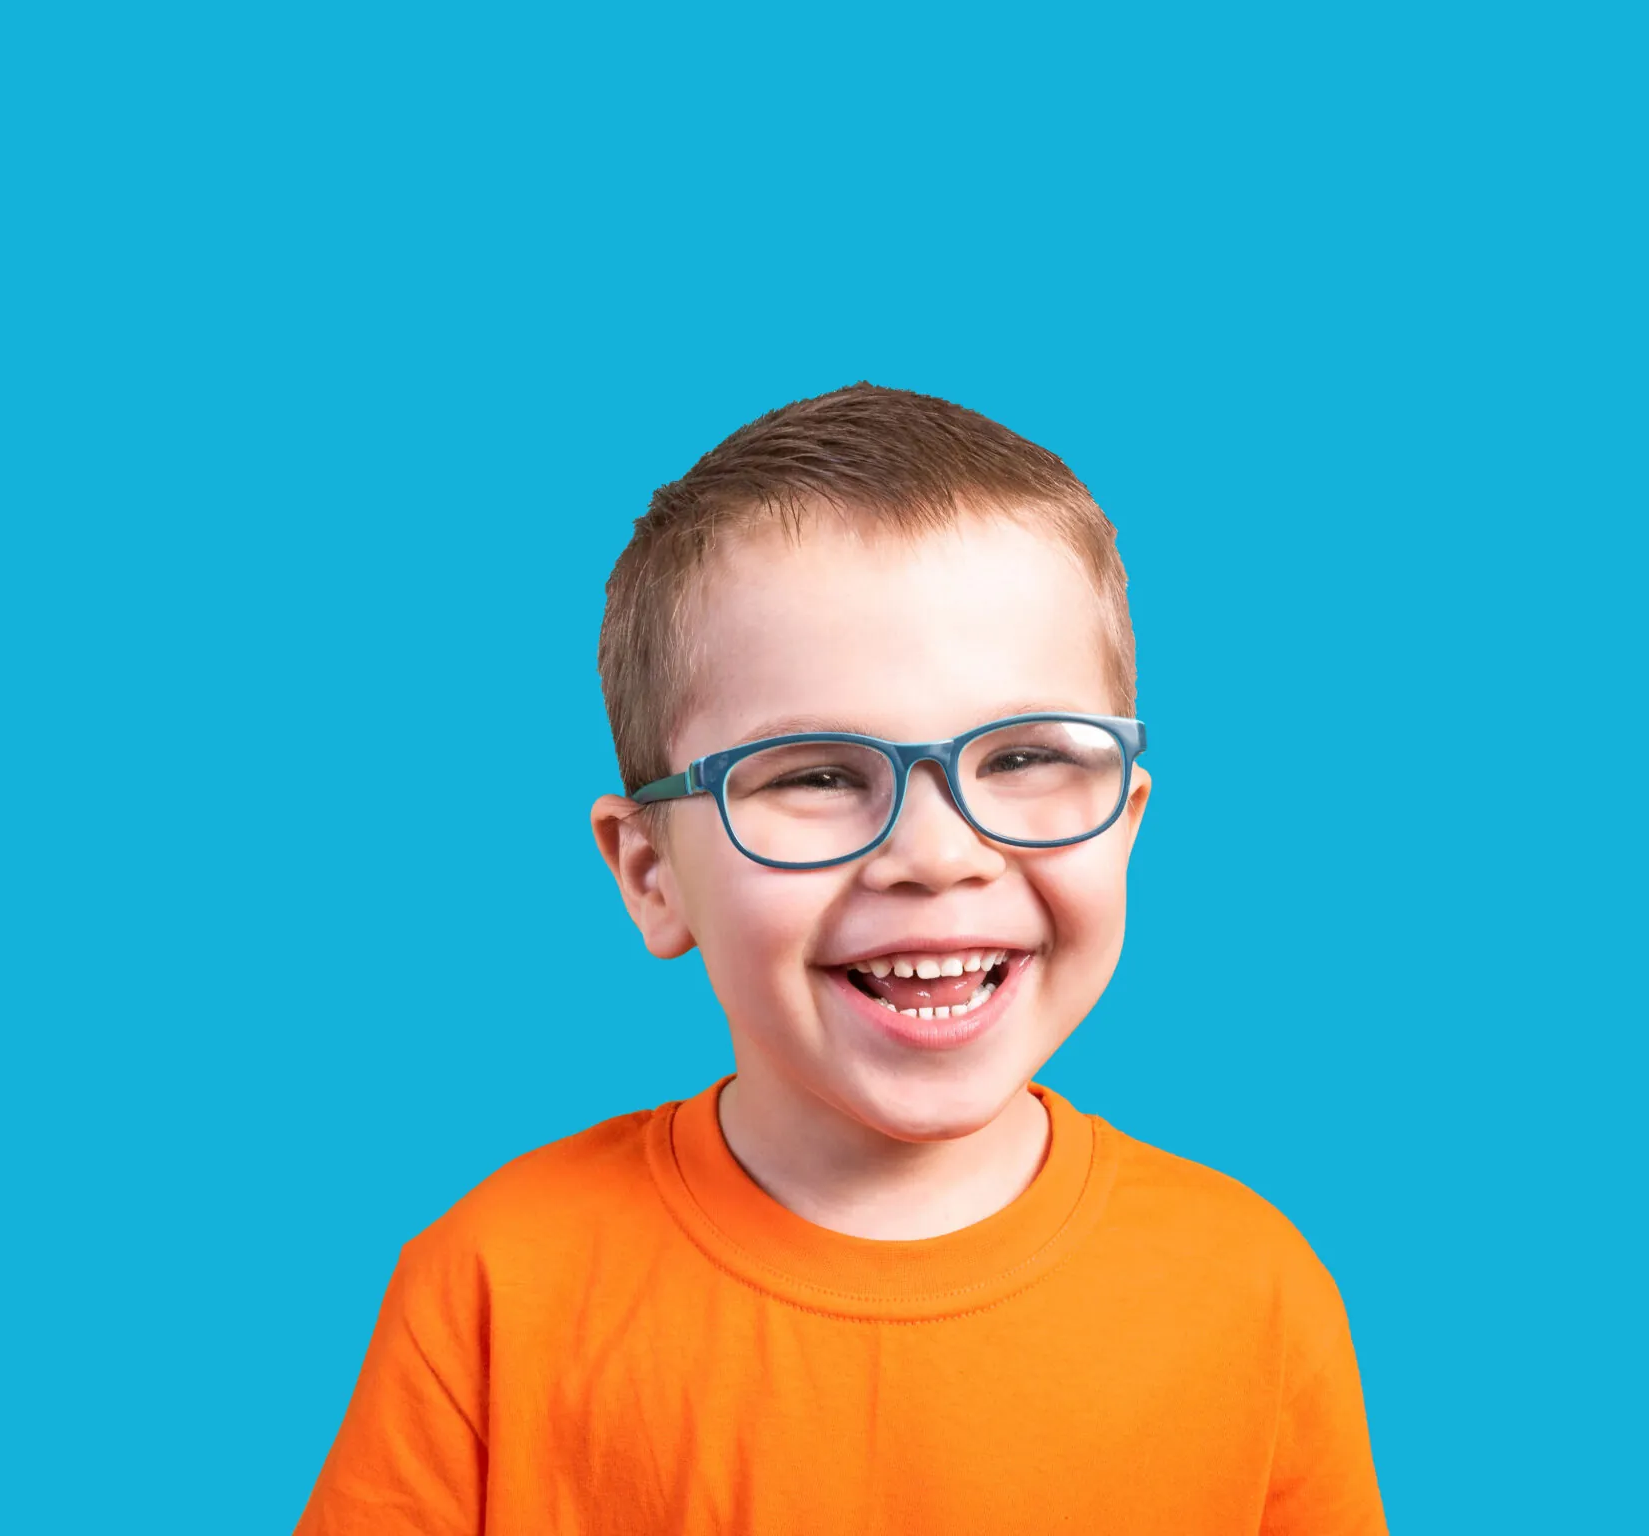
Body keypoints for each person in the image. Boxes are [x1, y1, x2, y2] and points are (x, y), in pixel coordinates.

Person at [295, 384, 1386, 1534]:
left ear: (1124, 821)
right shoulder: (493, 1289)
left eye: (1021, 757)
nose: (937, 854)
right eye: (814, 774)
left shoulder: (1249, 1289)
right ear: (650, 873)